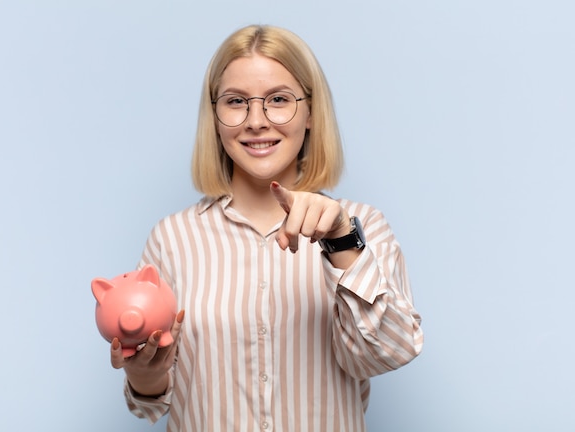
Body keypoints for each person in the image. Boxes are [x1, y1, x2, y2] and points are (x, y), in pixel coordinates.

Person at [108, 24, 423, 431]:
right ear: (216, 118)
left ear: (310, 113)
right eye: (236, 102)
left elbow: (389, 353)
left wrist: (342, 240)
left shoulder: (364, 227)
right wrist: (146, 376)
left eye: (278, 100)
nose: (256, 121)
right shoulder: (172, 239)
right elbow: (150, 405)